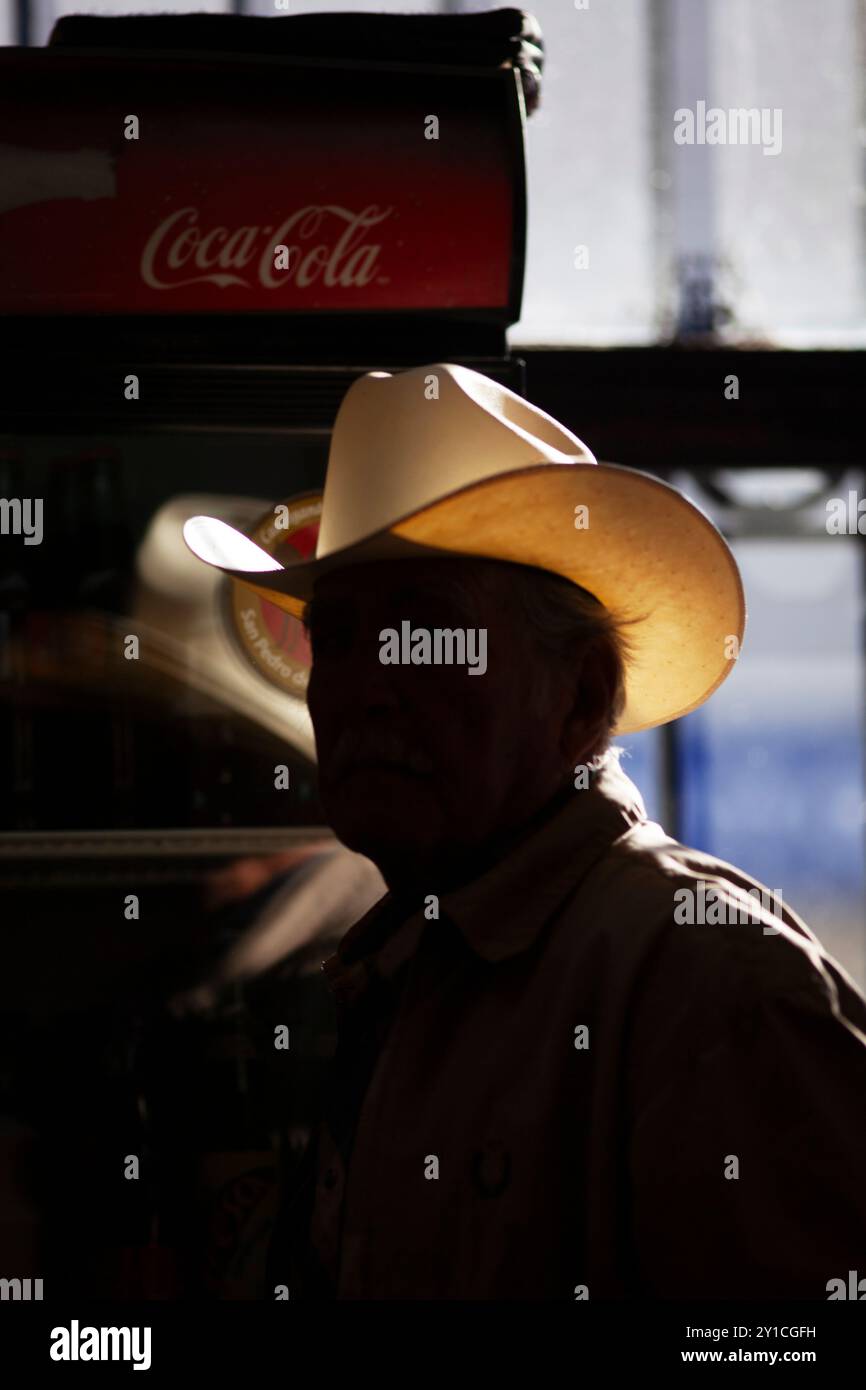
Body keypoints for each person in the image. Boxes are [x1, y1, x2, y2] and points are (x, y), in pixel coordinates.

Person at [184, 362, 866, 1300]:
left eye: (427, 636)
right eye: (338, 639)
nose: (359, 690)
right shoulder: (405, 959)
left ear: (580, 696)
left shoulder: (709, 980)